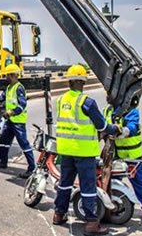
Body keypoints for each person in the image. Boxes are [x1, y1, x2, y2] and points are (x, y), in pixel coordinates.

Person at [53, 64, 121, 236]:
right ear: (82, 82)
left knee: (64, 184)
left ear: (69, 82)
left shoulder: (61, 100)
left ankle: (58, 214)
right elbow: (102, 125)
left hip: (66, 150)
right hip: (83, 152)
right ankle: (92, 222)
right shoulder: (87, 102)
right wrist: (116, 129)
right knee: (88, 187)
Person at [0, 63, 36, 179]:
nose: (6, 77)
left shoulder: (19, 88)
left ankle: (31, 168)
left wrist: (11, 112)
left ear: (13, 75)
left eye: (7, 75)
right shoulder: (9, 88)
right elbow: (0, 98)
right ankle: (2, 162)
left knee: (24, 144)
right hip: (10, 121)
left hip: (18, 122)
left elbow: (22, 105)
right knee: (4, 141)